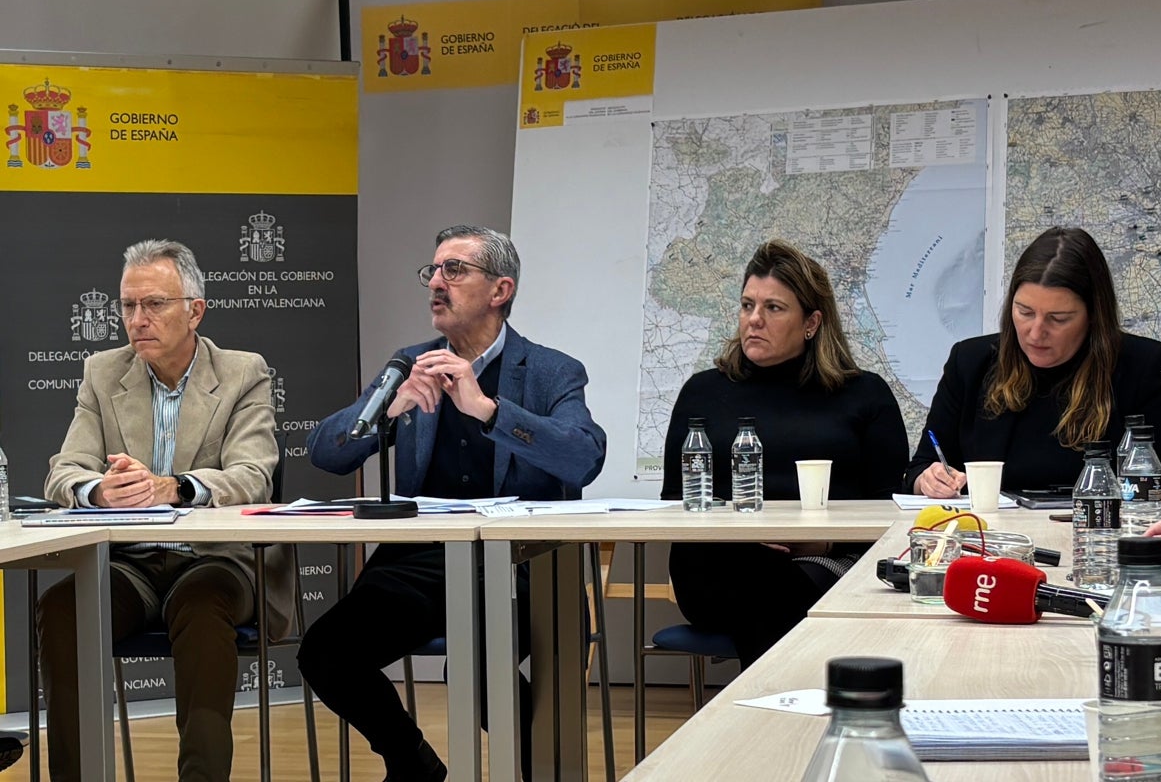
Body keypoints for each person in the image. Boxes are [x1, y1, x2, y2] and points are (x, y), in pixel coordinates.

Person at [299, 225, 606, 782]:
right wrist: (386, 410)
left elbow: (583, 457)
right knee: (327, 652)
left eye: (454, 271)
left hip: (517, 568)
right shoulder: (409, 363)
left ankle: (547, 770)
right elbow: (326, 451)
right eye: (433, 271)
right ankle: (414, 765)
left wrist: (489, 410)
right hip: (418, 565)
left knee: (478, 663)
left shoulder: (550, 370)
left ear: (500, 290)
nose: (437, 283)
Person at [39, 239, 288, 782]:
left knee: (201, 606)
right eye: (128, 306)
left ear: (194, 310)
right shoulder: (103, 373)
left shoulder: (244, 373)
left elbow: (253, 476)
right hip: (132, 564)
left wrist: (172, 487)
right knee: (64, 609)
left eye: (153, 304)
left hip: (218, 561)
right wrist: (100, 492)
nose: (137, 320)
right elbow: (64, 470)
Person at [661, 240, 908, 667]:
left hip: (826, 558)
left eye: (773, 308)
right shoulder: (703, 392)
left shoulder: (864, 395)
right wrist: (740, 533)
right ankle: (785, 714)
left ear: (812, 322)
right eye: (747, 305)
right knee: (748, 570)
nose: (754, 320)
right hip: (720, 559)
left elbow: (893, 509)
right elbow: (675, 501)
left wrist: (819, 538)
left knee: (773, 587)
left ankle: (762, 717)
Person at [905, 226, 1161, 499]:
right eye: (1025, 312)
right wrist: (928, 480)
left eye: (1058, 318)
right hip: (990, 541)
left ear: (1093, 316)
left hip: (1100, 537)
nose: (1036, 332)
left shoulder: (1145, 367)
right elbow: (921, 467)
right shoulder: (969, 362)